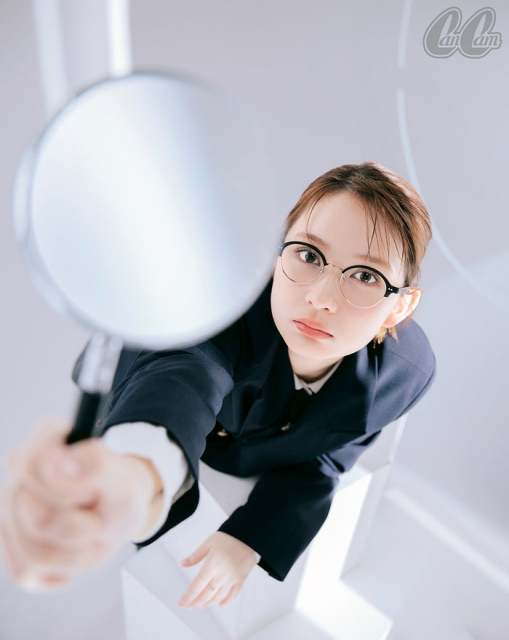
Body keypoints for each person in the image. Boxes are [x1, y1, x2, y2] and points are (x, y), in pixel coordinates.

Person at [0, 161, 437, 609]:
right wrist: (136, 476)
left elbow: (327, 456)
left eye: (366, 276)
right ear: (277, 251)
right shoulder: (218, 306)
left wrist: (253, 535)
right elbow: (185, 374)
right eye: (308, 254)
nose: (320, 298)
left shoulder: (404, 375)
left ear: (401, 307)